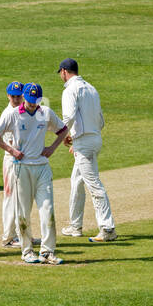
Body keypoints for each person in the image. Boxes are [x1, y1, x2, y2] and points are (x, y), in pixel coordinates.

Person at [8, 83, 70, 264]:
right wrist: (11, 151)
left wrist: (52, 148)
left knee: (48, 208)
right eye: (30, 101)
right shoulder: (12, 114)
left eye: (36, 101)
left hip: (42, 166)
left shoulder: (46, 113)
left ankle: (47, 251)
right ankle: (27, 251)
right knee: (24, 212)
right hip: (22, 167)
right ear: (24, 97)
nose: (33, 104)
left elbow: (63, 129)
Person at [58, 58, 116, 244]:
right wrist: (79, 138)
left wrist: (64, 135)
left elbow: (68, 116)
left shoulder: (70, 90)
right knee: (76, 180)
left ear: (65, 72)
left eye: (60, 73)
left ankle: (107, 228)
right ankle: (75, 227)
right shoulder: (91, 88)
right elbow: (101, 120)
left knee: (93, 184)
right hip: (93, 138)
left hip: (85, 141)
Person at [0, 81, 26, 247]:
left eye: (19, 96)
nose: (16, 99)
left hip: (23, 160)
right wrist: (11, 151)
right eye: (13, 96)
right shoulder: (8, 113)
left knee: (22, 198)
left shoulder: (24, 111)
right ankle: (9, 237)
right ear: (8, 96)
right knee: (11, 198)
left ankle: (22, 234)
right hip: (11, 160)